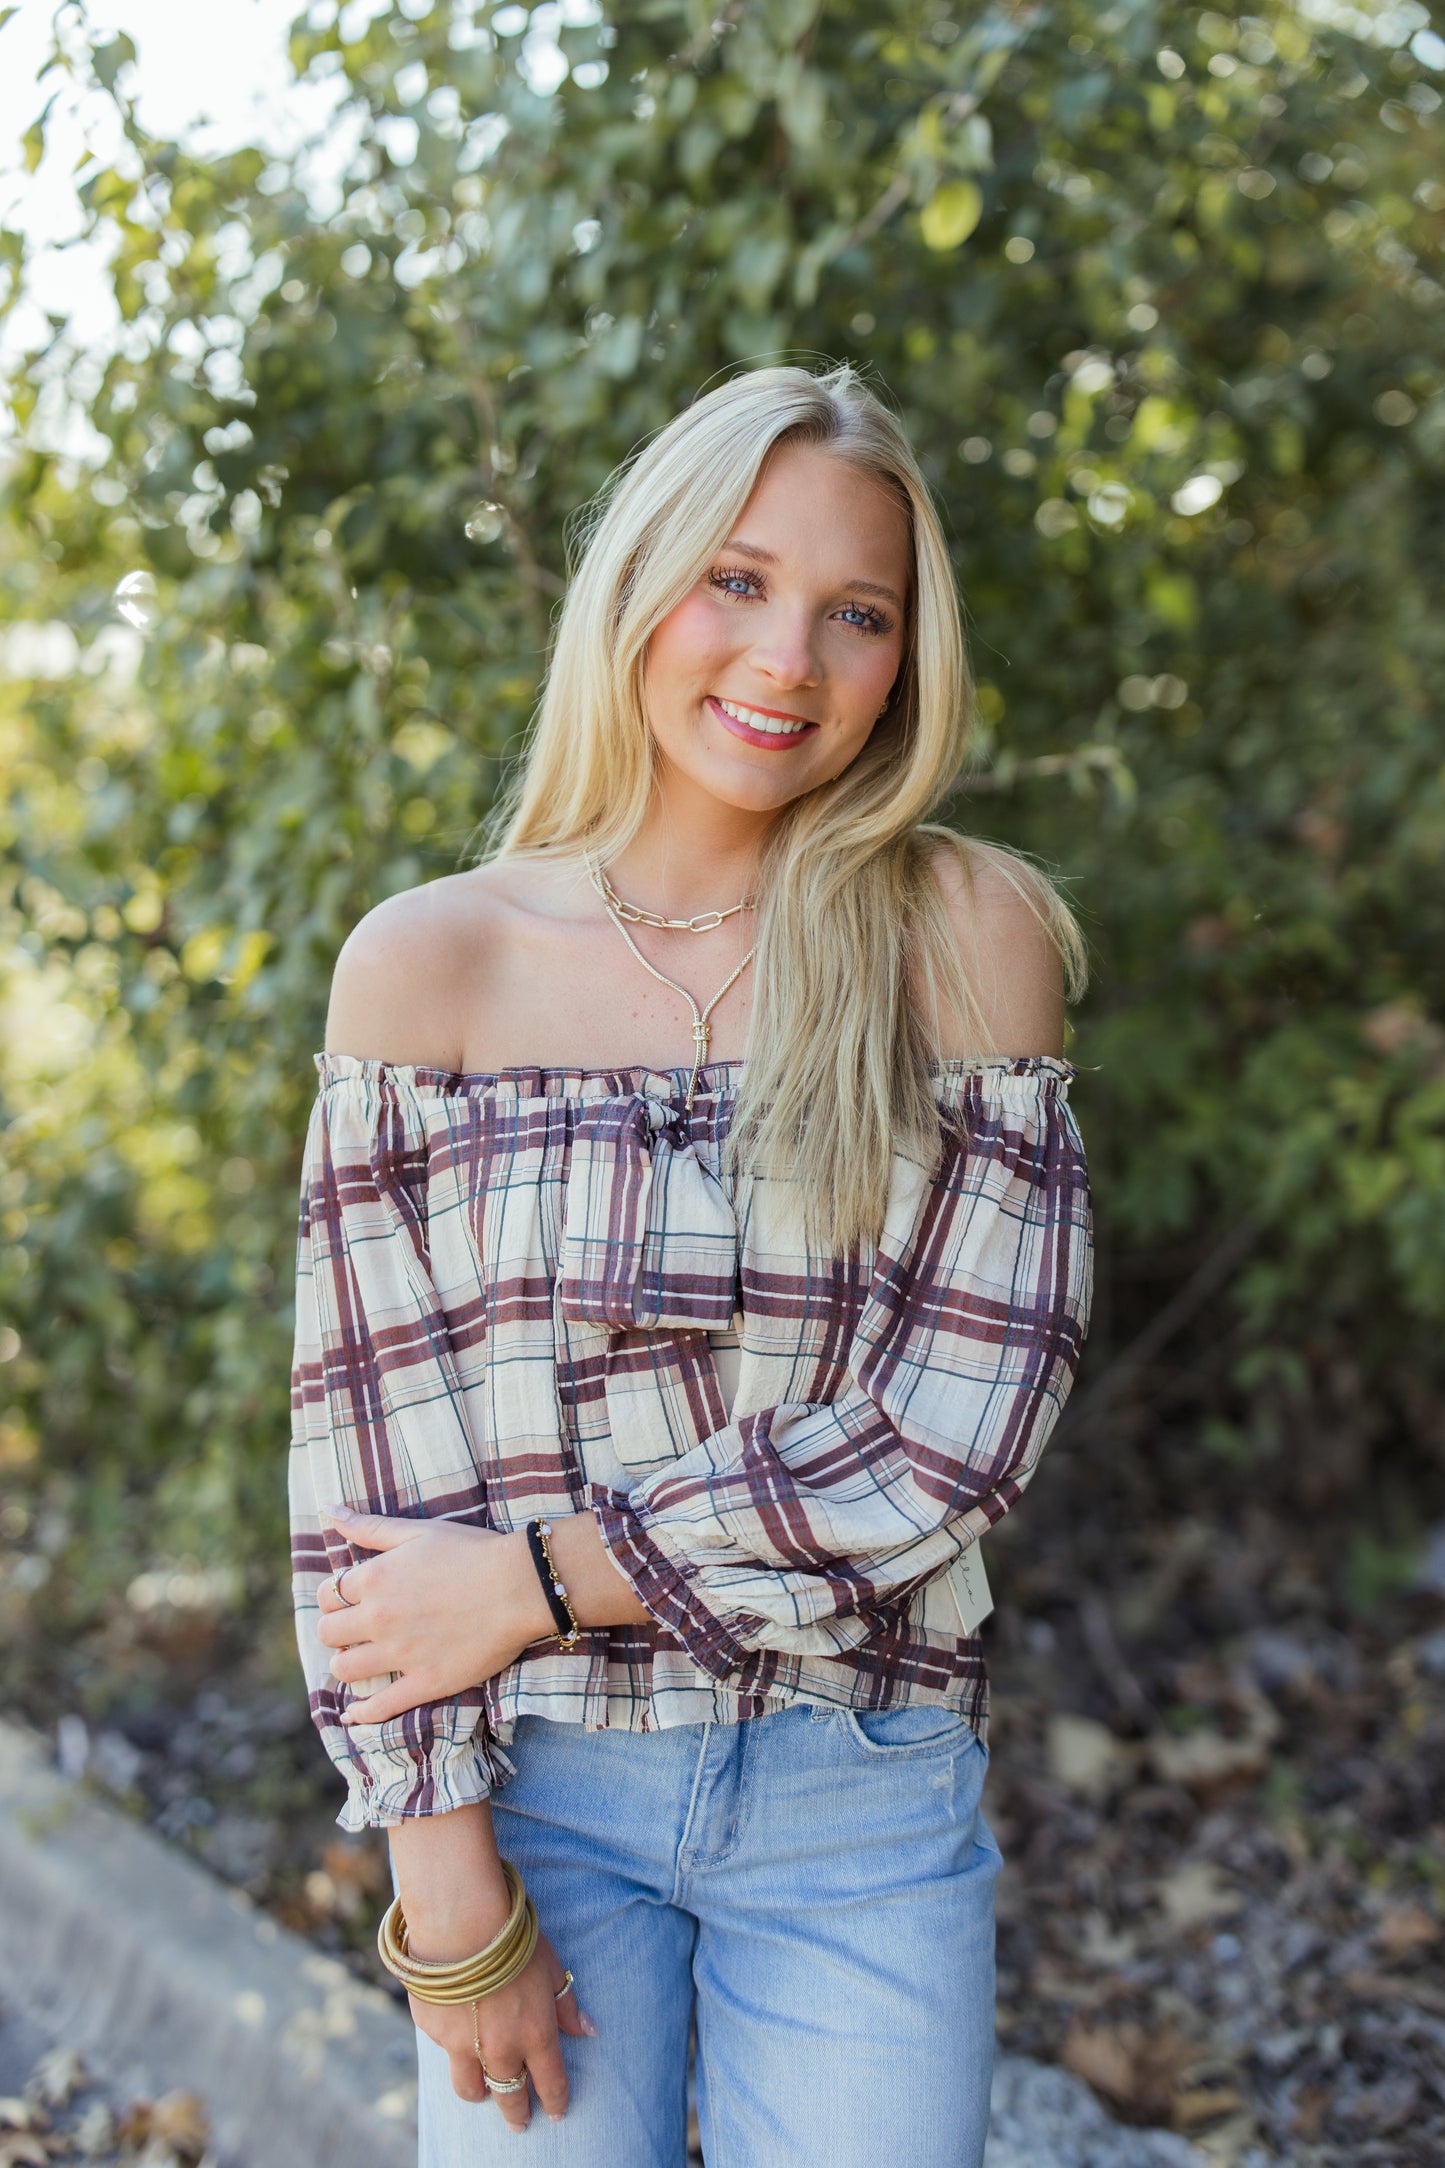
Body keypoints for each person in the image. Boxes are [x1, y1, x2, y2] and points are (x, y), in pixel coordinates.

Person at [288, 361, 1094, 2168]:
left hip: (859, 1793)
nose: (786, 660)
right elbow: (365, 1497)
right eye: (735, 579)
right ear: (636, 585)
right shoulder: (430, 967)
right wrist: (446, 1896)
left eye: (853, 612)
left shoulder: (962, 938)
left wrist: (547, 1577)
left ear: (908, 655)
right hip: (534, 1802)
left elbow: (951, 1444)